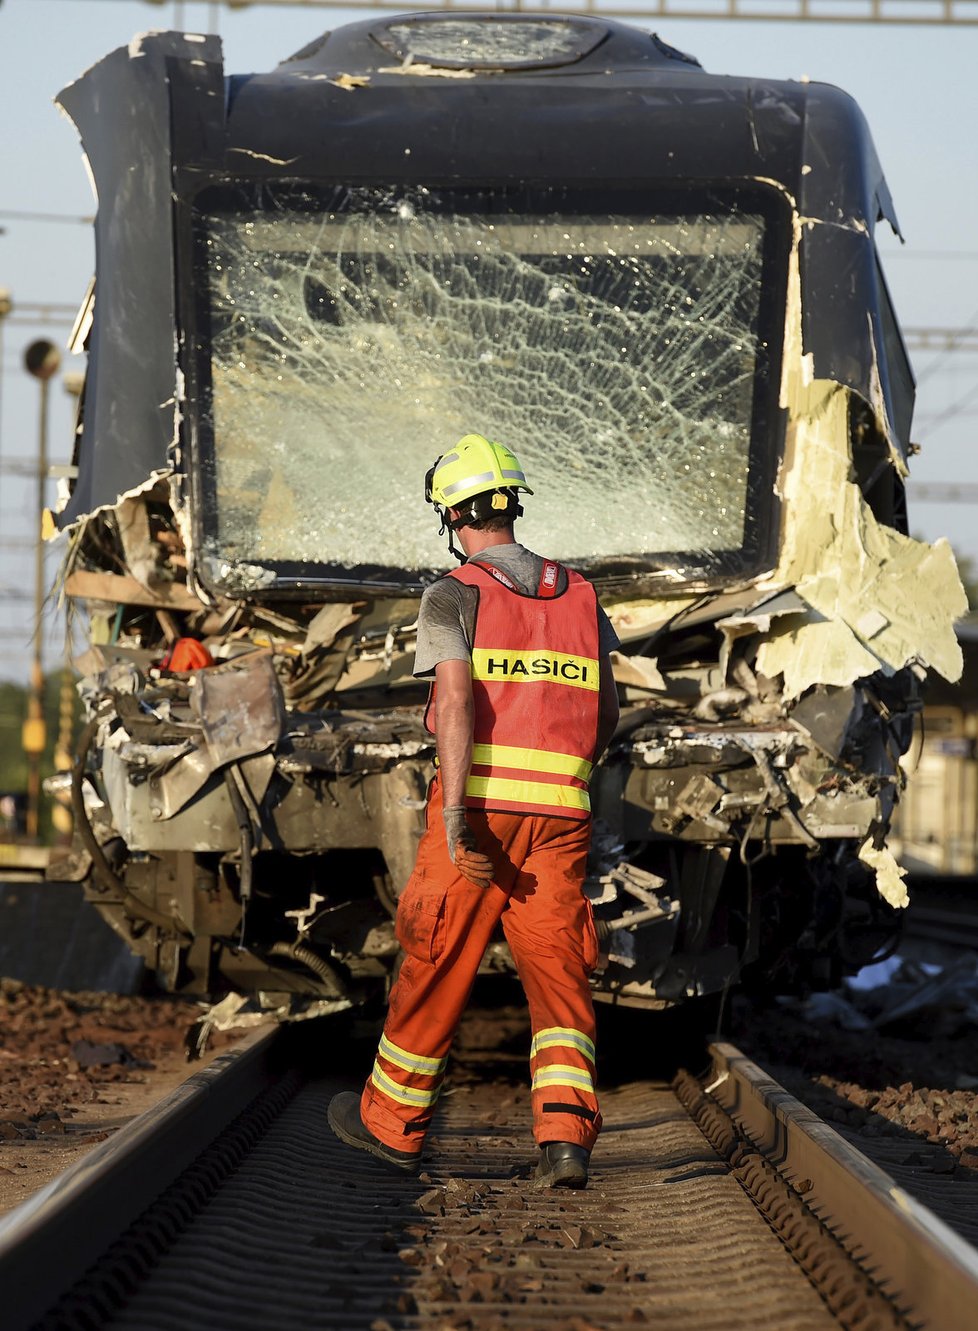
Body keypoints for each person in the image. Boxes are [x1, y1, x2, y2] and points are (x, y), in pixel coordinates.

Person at [328, 433, 620, 1188]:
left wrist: (456, 809)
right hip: (561, 817)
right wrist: (573, 777)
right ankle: (565, 1139)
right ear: (512, 505)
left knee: (438, 957)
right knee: (558, 971)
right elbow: (607, 710)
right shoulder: (582, 594)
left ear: (454, 514)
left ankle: (391, 1125)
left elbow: (455, 701)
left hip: (482, 813)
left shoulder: (454, 593)